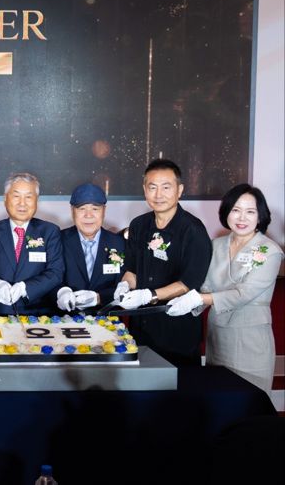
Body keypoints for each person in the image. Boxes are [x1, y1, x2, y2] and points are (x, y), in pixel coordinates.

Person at [167, 184, 283, 393]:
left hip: (250, 340)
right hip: (218, 336)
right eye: (236, 210)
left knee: (248, 401)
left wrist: (200, 299)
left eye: (250, 212)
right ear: (226, 212)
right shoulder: (216, 245)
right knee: (218, 398)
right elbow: (205, 286)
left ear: (260, 216)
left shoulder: (270, 251)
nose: (242, 218)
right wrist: (183, 303)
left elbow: (244, 293)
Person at [116, 158, 212, 365]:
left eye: (166, 187)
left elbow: (188, 283)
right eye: (152, 187)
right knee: (141, 382)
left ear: (180, 190)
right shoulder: (138, 225)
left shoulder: (193, 231)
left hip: (177, 332)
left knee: (180, 384)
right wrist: (124, 286)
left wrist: (149, 295)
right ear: (145, 190)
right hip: (140, 329)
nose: (158, 195)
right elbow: (131, 269)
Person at [0, 173, 63, 315]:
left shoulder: (50, 231)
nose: (22, 203)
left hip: (39, 315)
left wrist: (25, 288)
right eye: (16, 196)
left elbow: (55, 272)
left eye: (28, 197)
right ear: (5, 198)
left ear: (36, 201)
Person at [56, 183, 126, 311]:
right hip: (64, 318)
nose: (88, 215)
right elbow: (48, 278)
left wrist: (100, 298)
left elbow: (124, 285)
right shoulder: (58, 240)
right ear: (72, 211)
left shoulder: (119, 243)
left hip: (107, 318)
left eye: (95, 209)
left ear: (104, 211)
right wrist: (61, 293)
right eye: (82, 209)